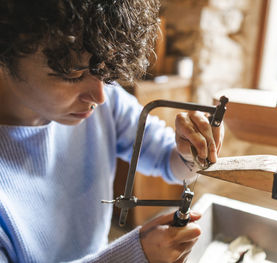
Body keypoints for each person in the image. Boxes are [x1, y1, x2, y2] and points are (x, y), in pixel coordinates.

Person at [0, 1, 224, 263]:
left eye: (103, 71)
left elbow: (167, 158)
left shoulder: (108, 103)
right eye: (72, 73)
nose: (100, 96)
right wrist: (132, 256)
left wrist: (190, 149)